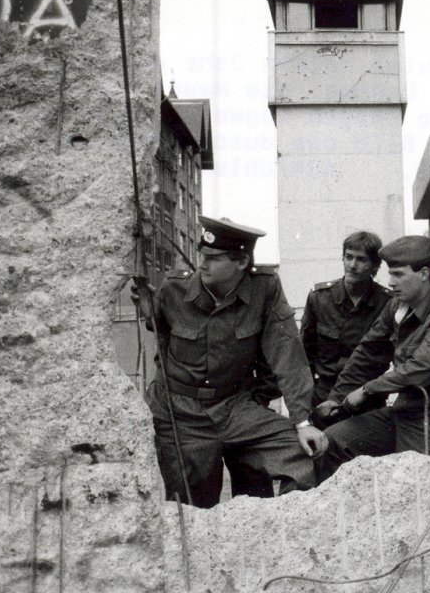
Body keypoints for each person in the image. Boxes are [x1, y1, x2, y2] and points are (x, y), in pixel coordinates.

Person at [134, 216, 324, 508]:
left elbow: (287, 353)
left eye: (214, 258)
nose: (203, 264)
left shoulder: (265, 288)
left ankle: (282, 534)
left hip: (234, 407)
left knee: (298, 450)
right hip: (182, 414)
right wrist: (149, 313)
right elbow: (159, 333)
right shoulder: (174, 289)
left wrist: (302, 421)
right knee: (194, 507)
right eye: (202, 255)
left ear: (241, 262)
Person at [314, 235, 430, 480]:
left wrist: (368, 390)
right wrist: (337, 398)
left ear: (424, 274)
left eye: (398, 275)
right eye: (390, 274)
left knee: (415, 487)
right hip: (404, 412)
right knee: (334, 441)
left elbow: (422, 367)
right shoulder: (397, 306)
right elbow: (367, 354)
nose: (391, 282)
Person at [301, 231, 391, 410]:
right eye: (348, 257)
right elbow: (304, 353)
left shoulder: (387, 303)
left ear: (375, 266)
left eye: (361, 259)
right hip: (322, 394)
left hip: (365, 397)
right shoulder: (320, 298)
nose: (352, 265)